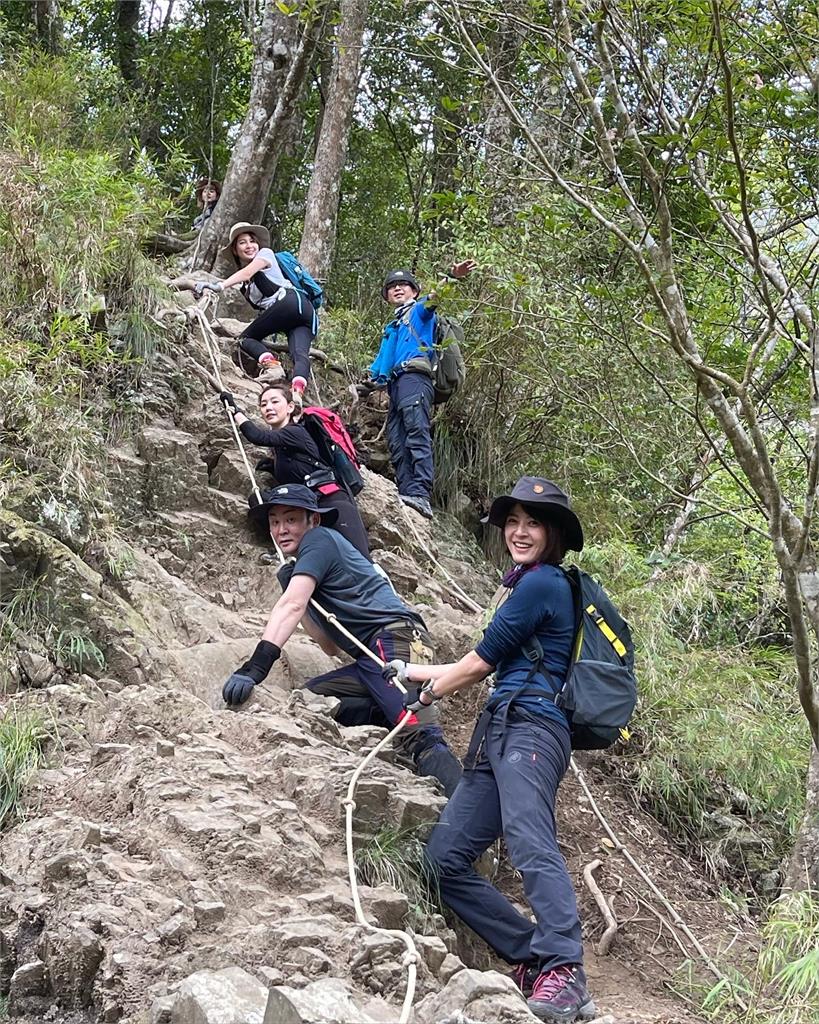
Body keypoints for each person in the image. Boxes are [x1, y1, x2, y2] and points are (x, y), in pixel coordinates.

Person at [394, 477, 595, 1022]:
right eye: (512, 521)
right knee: (442, 862)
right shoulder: (531, 585)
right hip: (499, 729)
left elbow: (478, 663)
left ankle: (565, 968)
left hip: (530, 730)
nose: (520, 531)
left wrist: (428, 691)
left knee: (531, 841)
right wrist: (409, 671)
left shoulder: (542, 584)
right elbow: (489, 661)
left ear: (553, 533)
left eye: (533, 522)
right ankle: (533, 956)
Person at [221, 484, 462, 796]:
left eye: (291, 520)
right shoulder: (306, 564)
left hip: (393, 640)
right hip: (370, 657)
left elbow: (290, 607)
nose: (281, 529)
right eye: (275, 521)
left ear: (313, 521)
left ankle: (466, 812)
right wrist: (302, 599)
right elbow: (329, 645)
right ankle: (387, 713)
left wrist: (255, 668)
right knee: (311, 701)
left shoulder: (319, 541)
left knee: (418, 731)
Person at [365, 261, 475, 519]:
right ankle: (407, 490)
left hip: (415, 378)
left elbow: (435, 298)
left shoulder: (419, 312)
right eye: (391, 286)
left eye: (403, 285)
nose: (397, 289)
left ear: (415, 291)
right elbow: (380, 366)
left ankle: (421, 493)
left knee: (416, 431)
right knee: (396, 437)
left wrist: (452, 277)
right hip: (396, 383)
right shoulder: (393, 327)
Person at [218, 382, 370, 559]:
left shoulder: (295, 432)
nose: (269, 407)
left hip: (330, 500)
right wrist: (274, 468)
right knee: (259, 501)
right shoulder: (281, 448)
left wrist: (235, 410)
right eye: (264, 404)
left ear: (290, 407)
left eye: (275, 402)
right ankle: (292, 551)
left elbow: (258, 437)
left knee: (361, 560)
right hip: (307, 506)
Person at [194, 222, 317, 408]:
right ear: (235, 250)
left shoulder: (265, 255)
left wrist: (218, 287)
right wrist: (205, 285)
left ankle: (273, 367)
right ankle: (297, 393)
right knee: (299, 354)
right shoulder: (245, 285)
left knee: (245, 338)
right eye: (242, 242)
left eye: (252, 241)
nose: (249, 245)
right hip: (303, 312)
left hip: (291, 302)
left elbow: (248, 272)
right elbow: (242, 278)